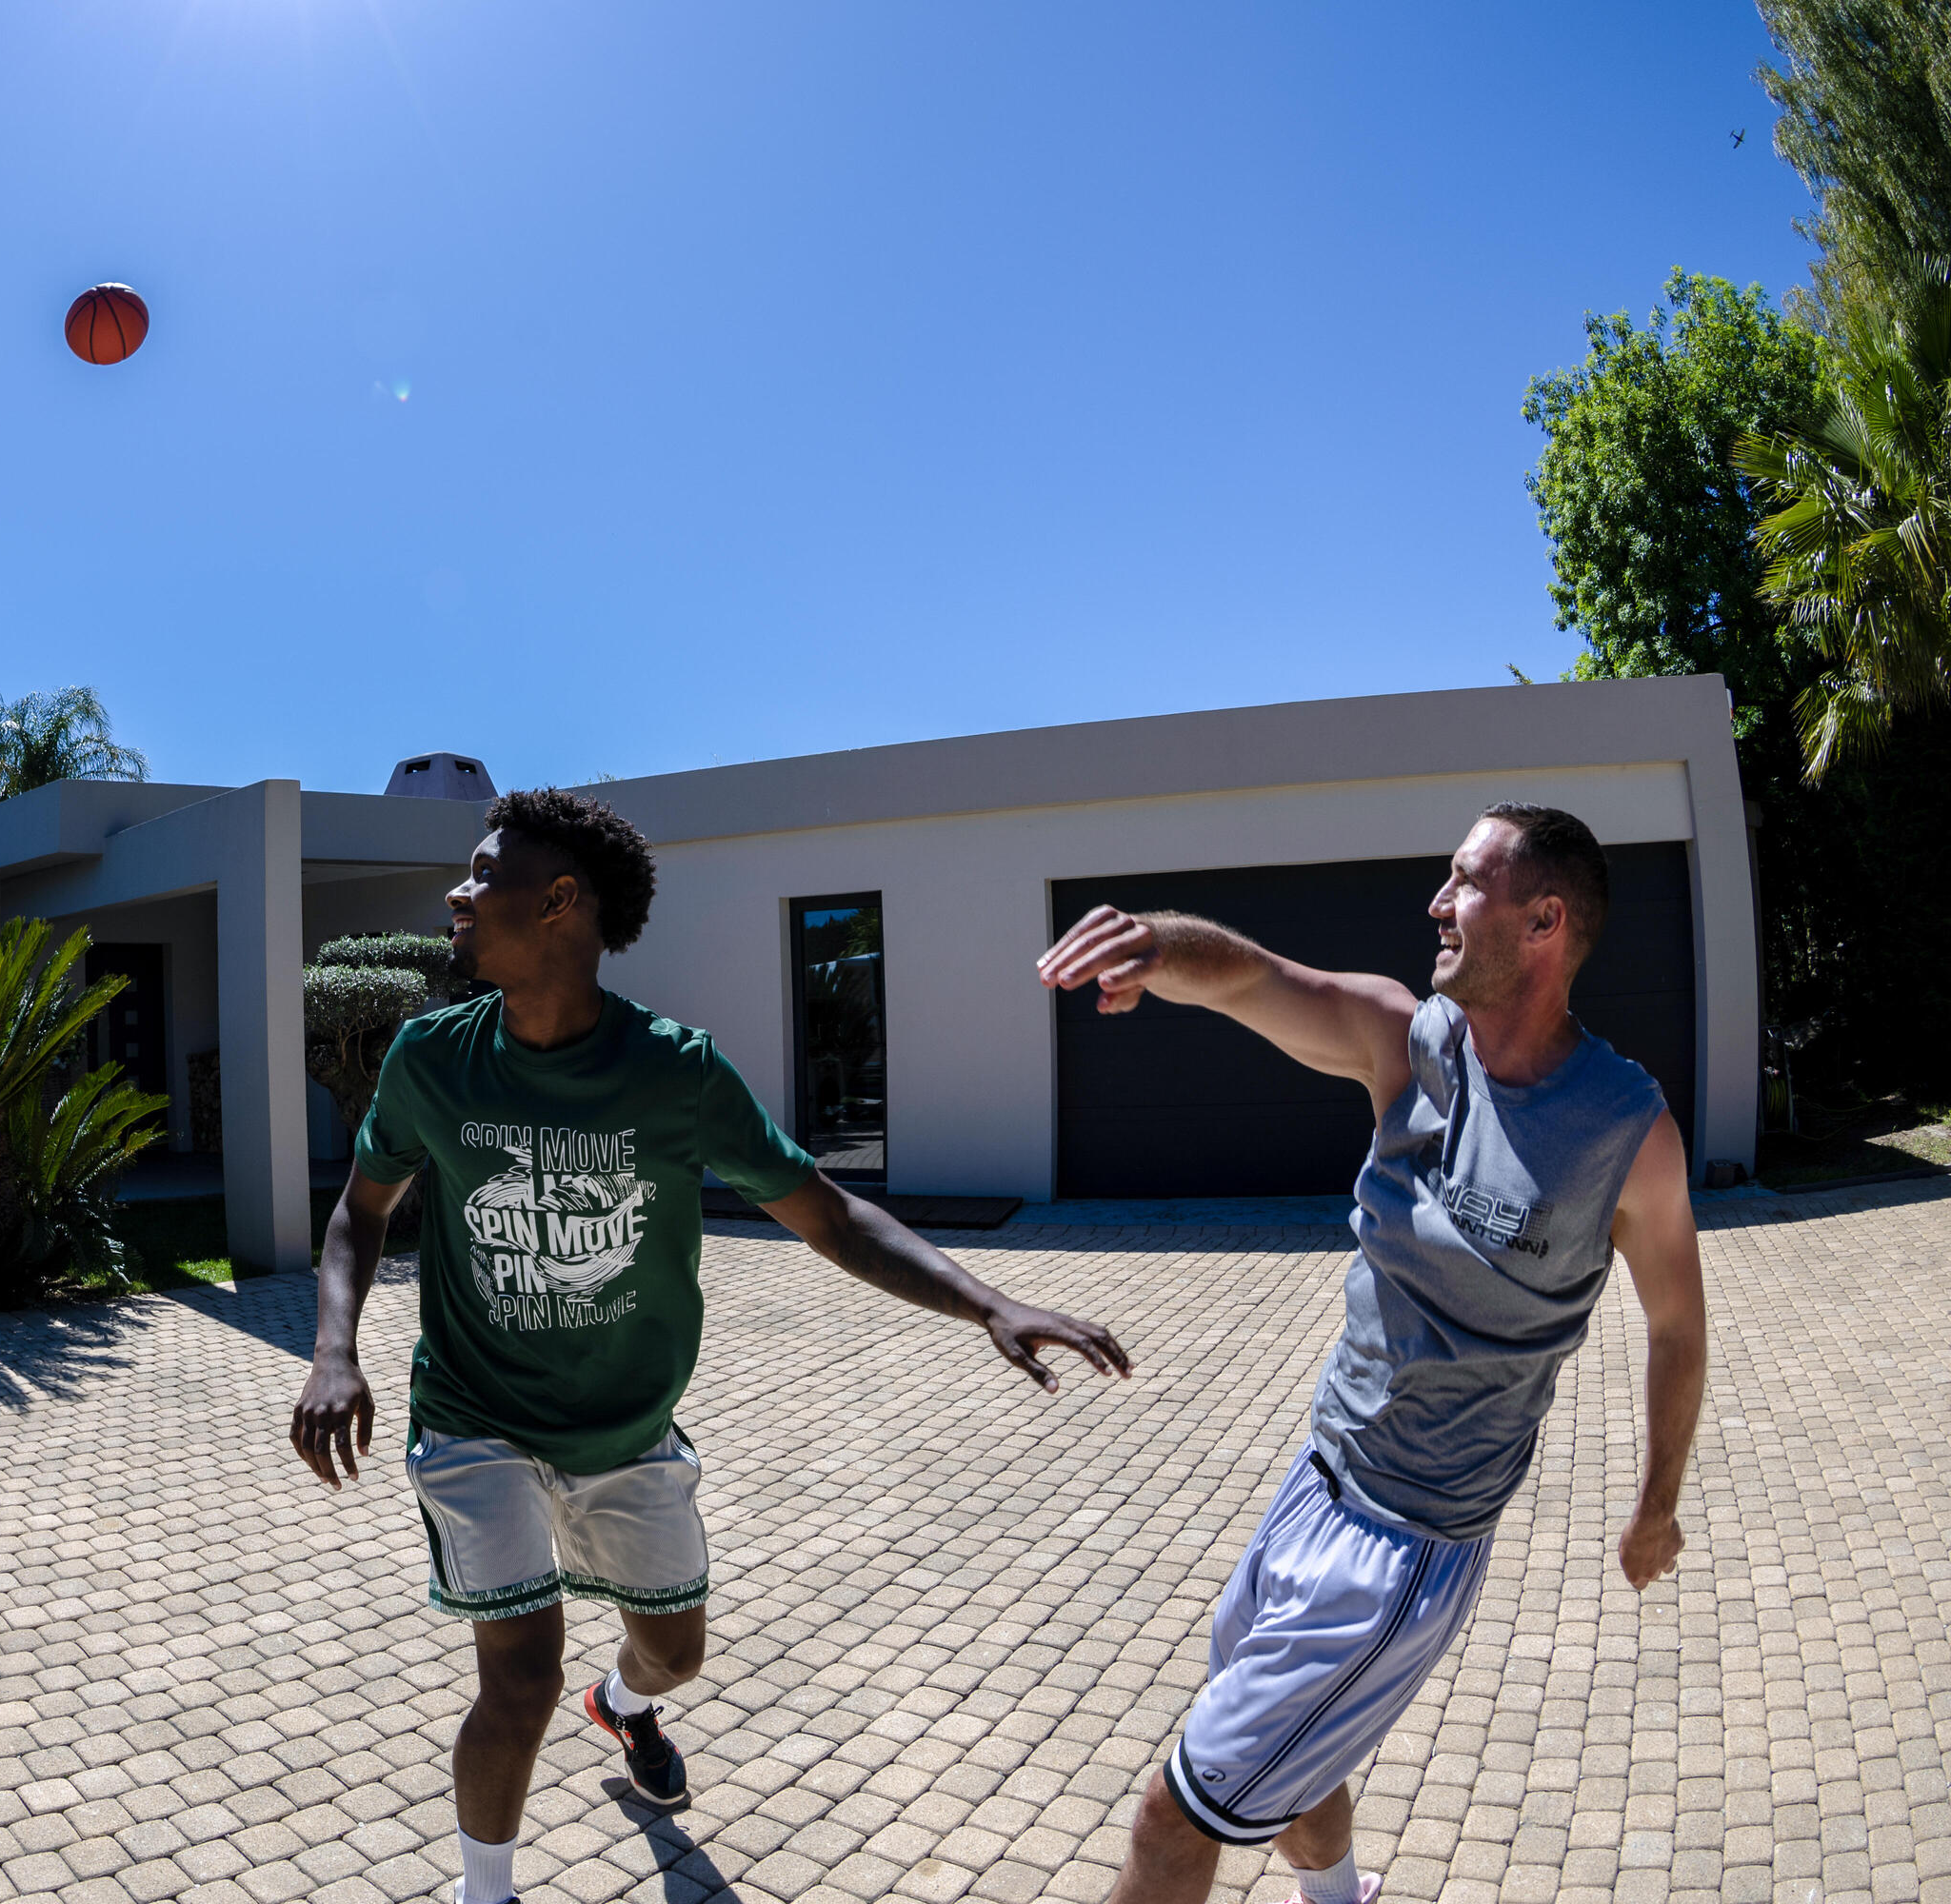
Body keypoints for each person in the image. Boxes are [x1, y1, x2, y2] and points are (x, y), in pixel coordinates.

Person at [292, 787, 1132, 1904]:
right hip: (473, 1414)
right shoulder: (431, 1059)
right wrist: (333, 1347)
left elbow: (828, 1213)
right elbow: (361, 1208)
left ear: (558, 900)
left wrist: (986, 1302)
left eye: (484, 872)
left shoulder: (674, 1072)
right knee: (518, 1675)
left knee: (677, 1653)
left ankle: (625, 1704)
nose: (458, 889)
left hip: (626, 1427)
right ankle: (481, 1892)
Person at [1034, 803, 1708, 1904]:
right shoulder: (1412, 1041)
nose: (1435, 902)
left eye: (1462, 881)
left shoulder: (1626, 1131)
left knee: (1172, 1819)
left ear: (1543, 920)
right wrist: (1156, 947)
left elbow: (1678, 1326)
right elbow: (1256, 978)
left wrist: (1657, 1503)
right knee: (1292, 1765)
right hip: (1315, 1477)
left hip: (1405, 1550)